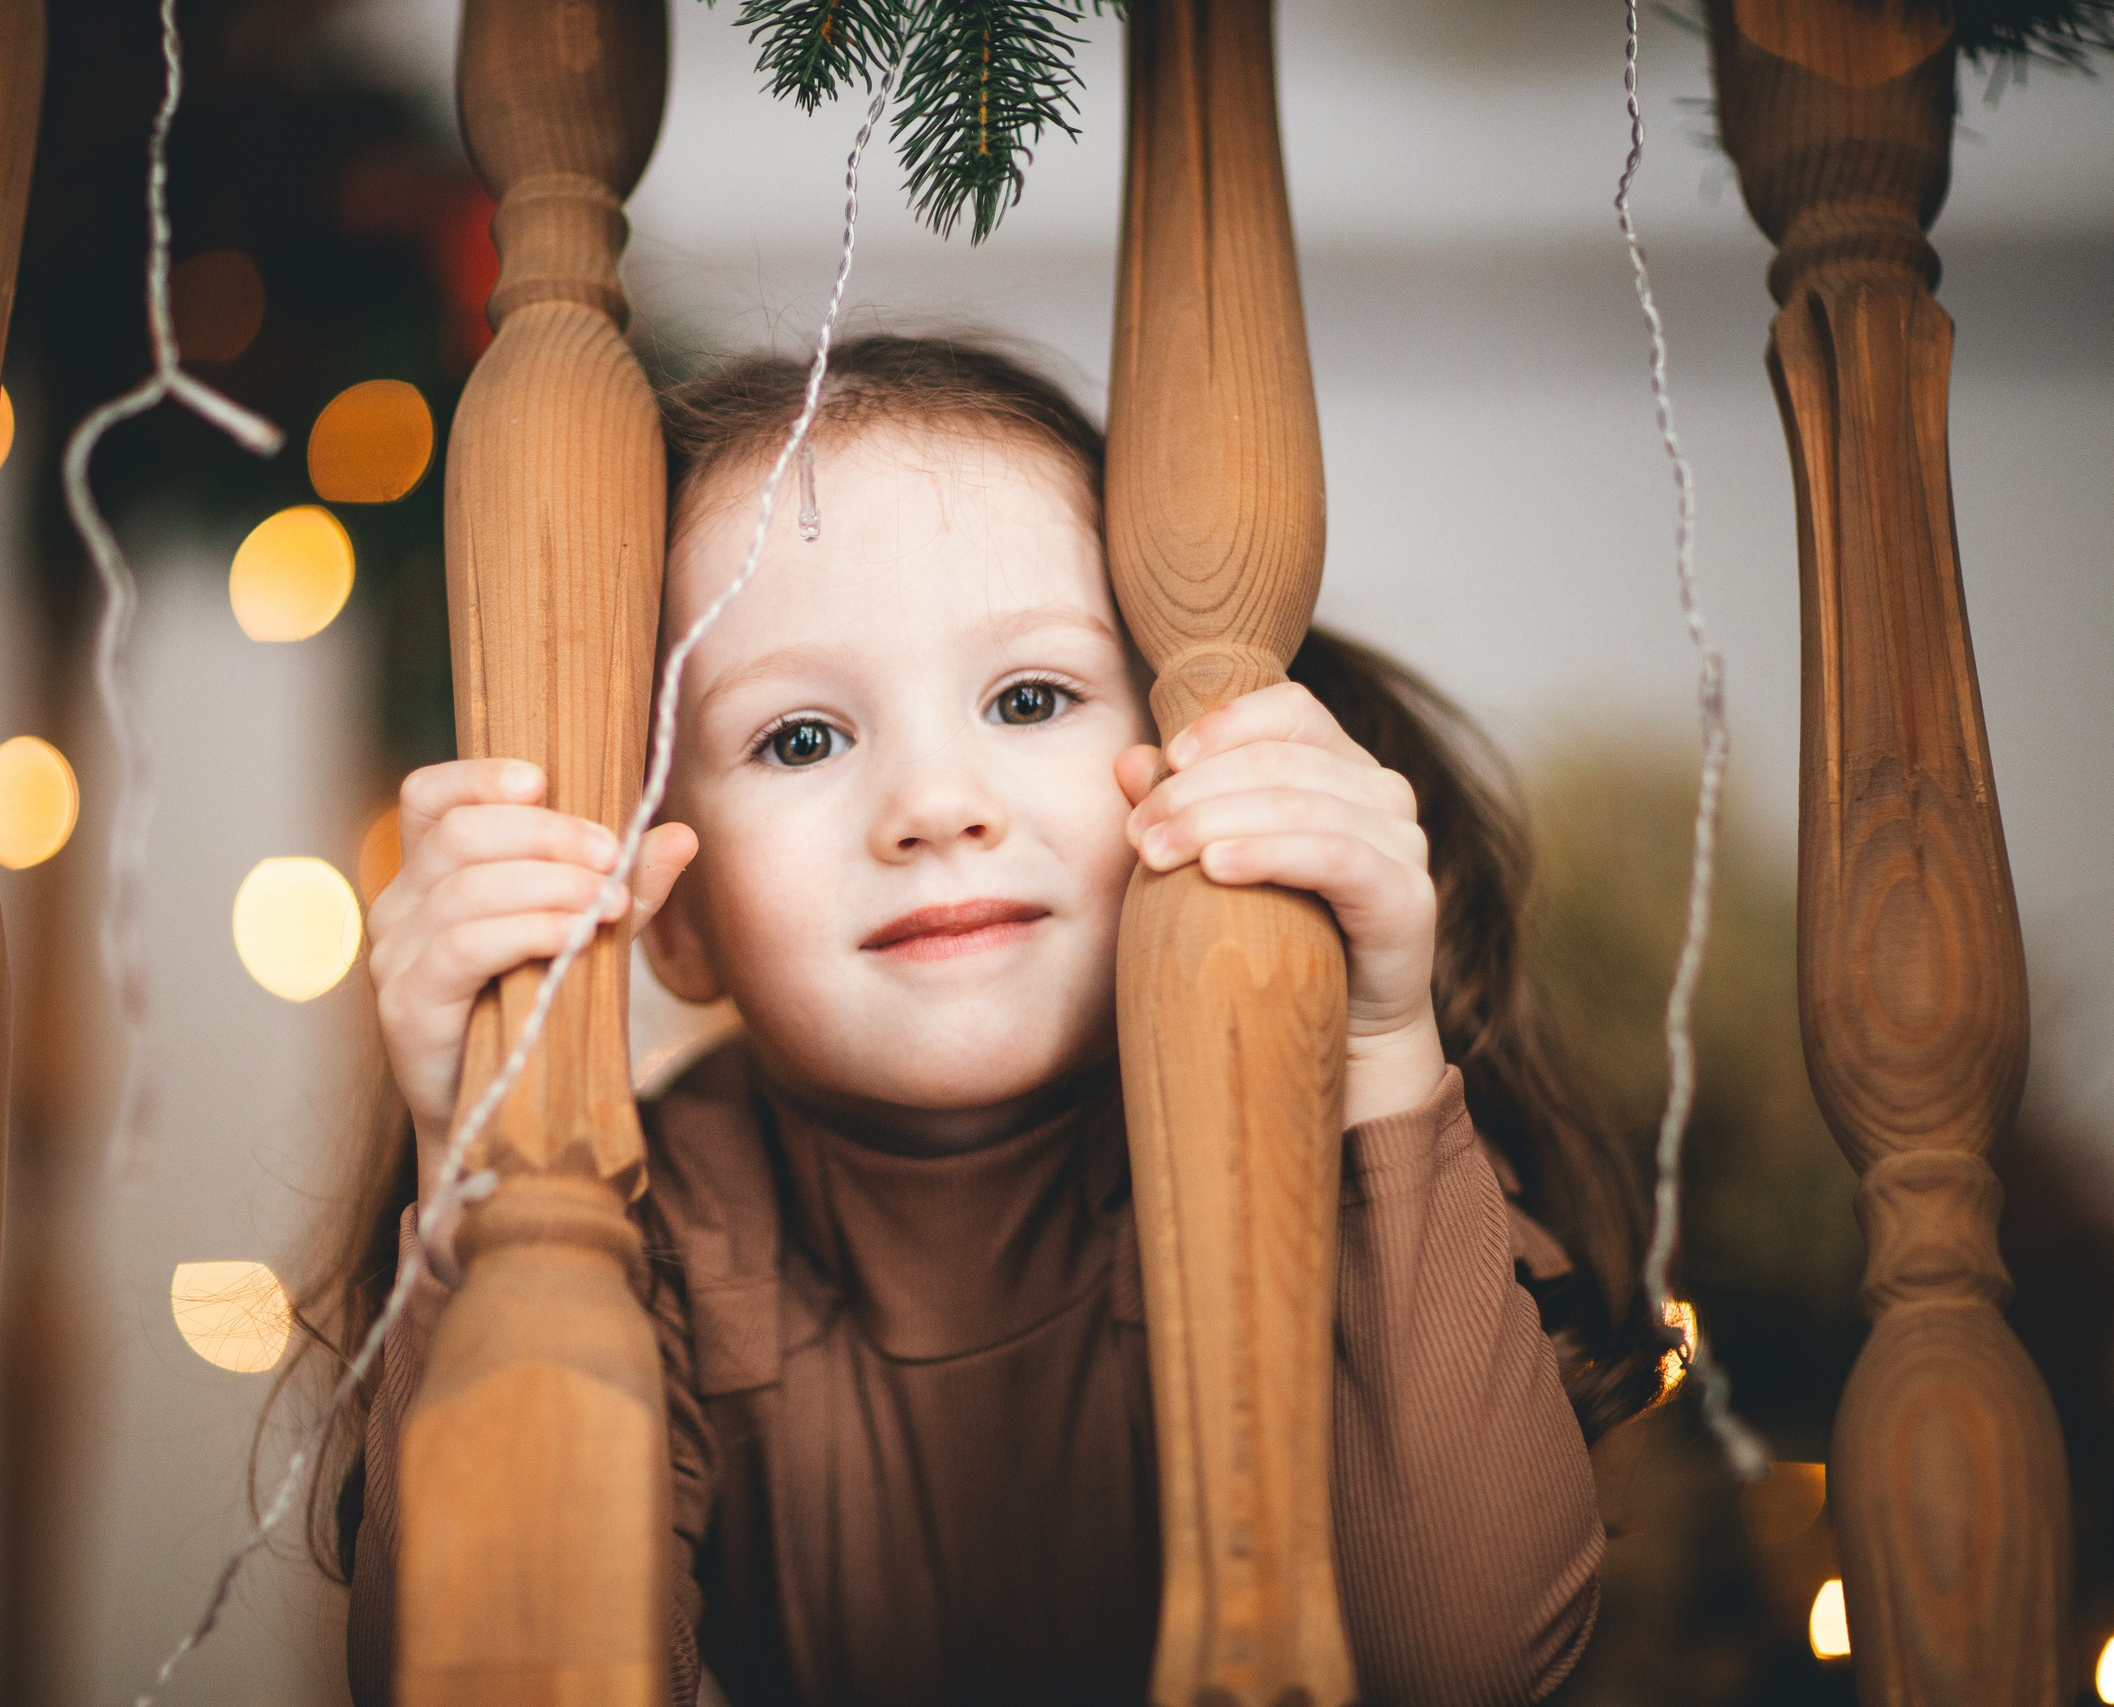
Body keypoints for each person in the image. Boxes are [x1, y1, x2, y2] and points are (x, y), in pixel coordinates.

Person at [309, 336, 1667, 1707]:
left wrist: (1375, 1046)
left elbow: (1460, 1663)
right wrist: (472, 1147)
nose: (935, 805)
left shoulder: (1324, 1147)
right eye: (799, 738)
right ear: (675, 908)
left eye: (1030, 699)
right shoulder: (637, 1221)